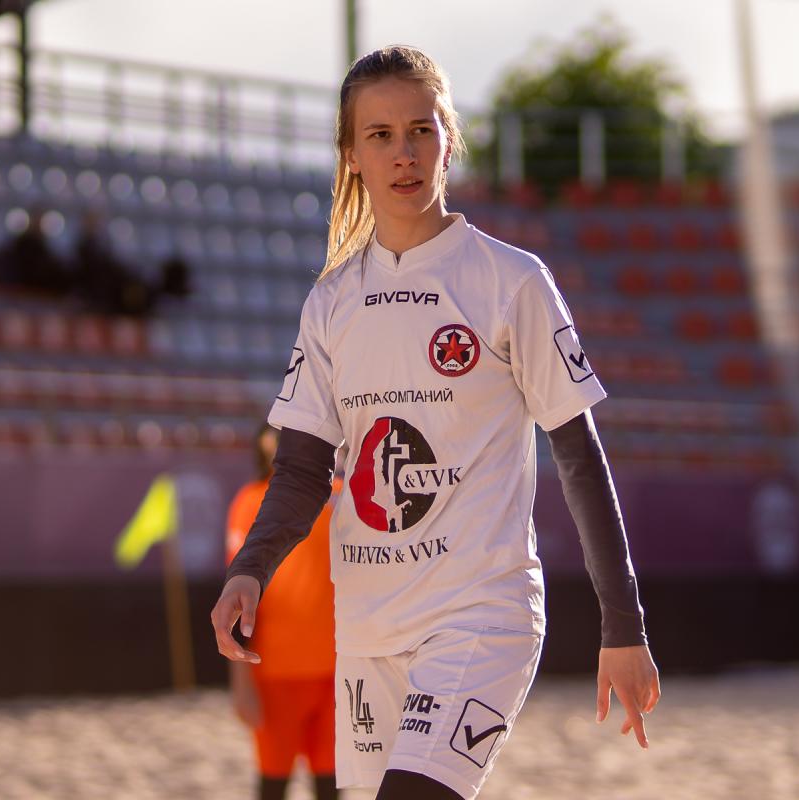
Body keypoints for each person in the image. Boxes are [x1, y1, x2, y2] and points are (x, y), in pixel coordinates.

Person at [212, 45, 660, 800]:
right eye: (380, 135)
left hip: (478, 616)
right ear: (352, 155)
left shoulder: (512, 281)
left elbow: (579, 457)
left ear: (448, 139)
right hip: (368, 627)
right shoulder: (331, 302)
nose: (404, 153)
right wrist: (250, 569)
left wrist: (624, 625)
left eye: (421, 129)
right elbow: (300, 469)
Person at [225, 423, 340, 800]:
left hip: (337, 669)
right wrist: (240, 680)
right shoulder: (250, 502)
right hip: (274, 672)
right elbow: (237, 596)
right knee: (273, 782)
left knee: (331, 781)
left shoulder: (341, 497)